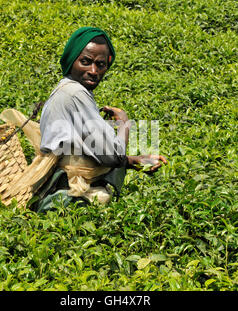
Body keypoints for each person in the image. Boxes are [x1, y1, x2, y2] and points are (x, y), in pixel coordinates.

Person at [34, 27, 167, 212]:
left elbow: (90, 151)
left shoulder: (66, 89)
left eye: (101, 64)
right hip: (67, 199)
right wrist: (124, 124)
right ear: (72, 60)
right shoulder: (74, 94)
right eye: (85, 62)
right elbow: (112, 155)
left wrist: (133, 161)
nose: (94, 71)